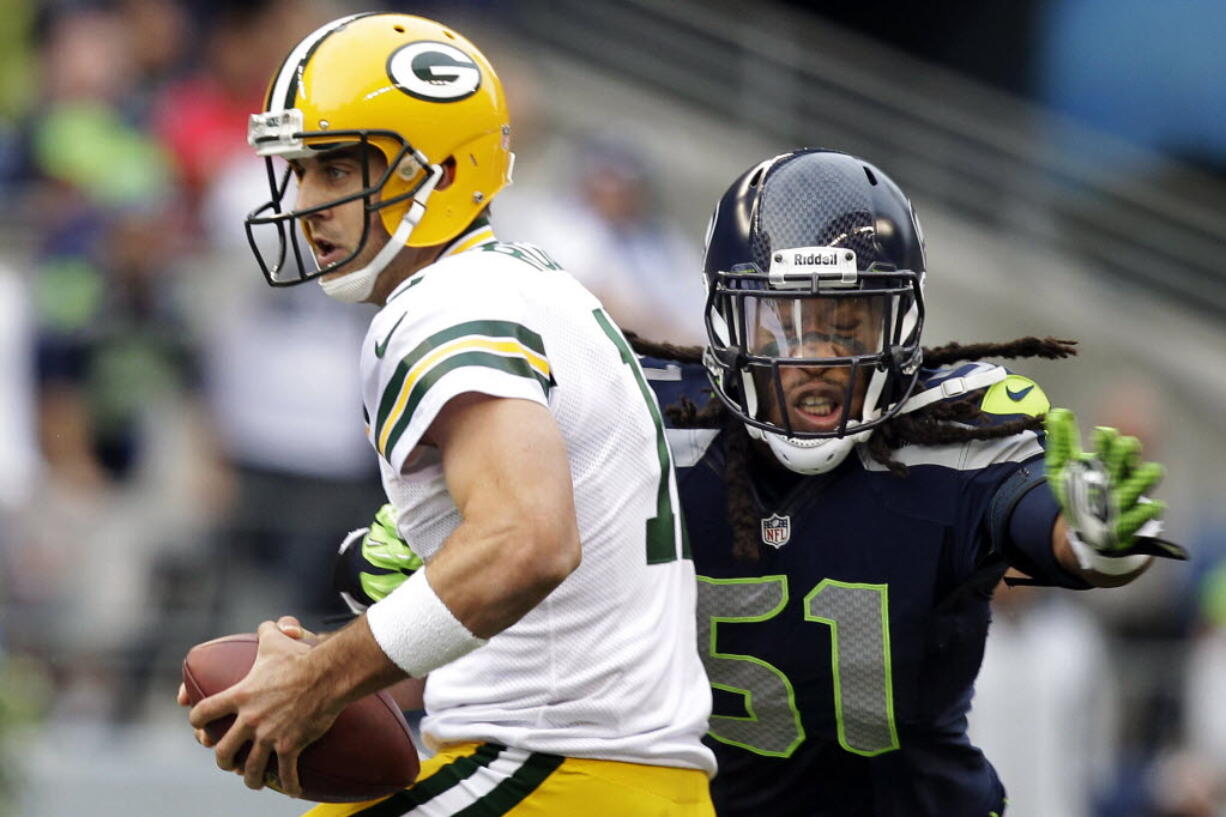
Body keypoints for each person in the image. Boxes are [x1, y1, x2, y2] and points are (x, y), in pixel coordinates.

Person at [339, 149, 1186, 816]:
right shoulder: (653, 428)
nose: (814, 360)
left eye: (846, 324)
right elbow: (511, 528)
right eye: (781, 324)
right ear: (719, 322)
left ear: (904, 326)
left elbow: (1055, 532)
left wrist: (1096, 540)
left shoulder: (959, 431)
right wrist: (416, 554)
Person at [181, 13, 715, 817]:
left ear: (437, 169)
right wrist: (338, 662)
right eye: (299, 171)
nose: (306, 202)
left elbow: (528, 542)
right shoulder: (519, 280)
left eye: (334, 169)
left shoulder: (442, 303)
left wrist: (320, 680)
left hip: (560, 768)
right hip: (599, 772)